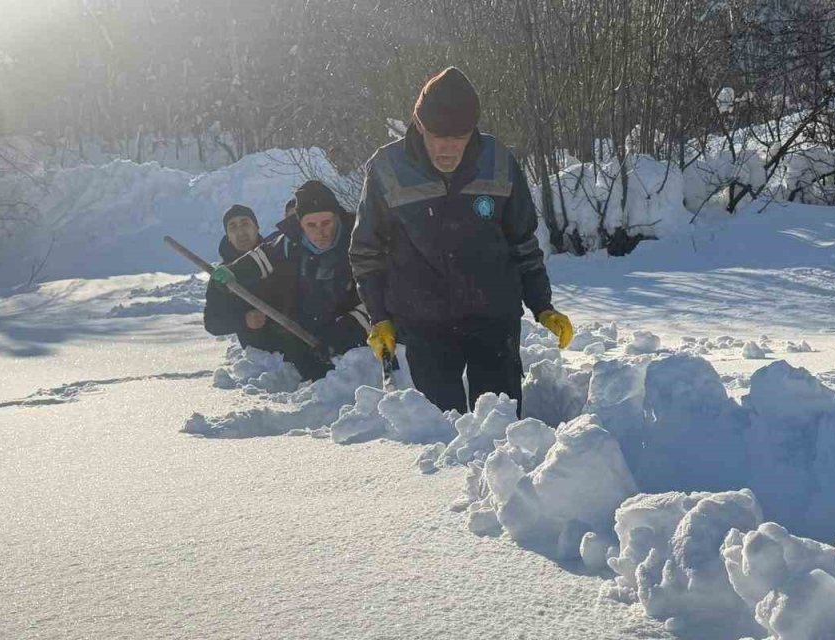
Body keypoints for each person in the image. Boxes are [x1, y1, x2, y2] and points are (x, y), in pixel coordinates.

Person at [349, 66, 573, 415]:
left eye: (460, 136)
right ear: (419, 125)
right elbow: (366, 250)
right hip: (424, 320)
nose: (449, 147)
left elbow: (522, 241)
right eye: (439, 135)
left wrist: (541, 304)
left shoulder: (497, 161)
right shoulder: (387, 167)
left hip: (494, 315)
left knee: (499, 422)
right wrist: (379, 316)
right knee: (441, 427)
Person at [210, 182, 370, 380]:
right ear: (300, 224)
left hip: (361, 338)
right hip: (310, 334)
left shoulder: (361, 241)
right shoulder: (290, 241)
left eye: (326, 223)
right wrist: (234, 272)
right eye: (311, 225)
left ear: (337, 217)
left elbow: (380, 296)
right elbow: (260, 259)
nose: (320, 232)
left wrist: (346, 331)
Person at [204, 205, 284, 352]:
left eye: (245, 223)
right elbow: (212, 323)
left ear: (256, 227)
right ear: (228, 236)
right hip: (259, 358)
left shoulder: (277, 255)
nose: (240, 231)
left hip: (296, 345)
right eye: (232, 227)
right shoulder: (223, 275)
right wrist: (243, 320)